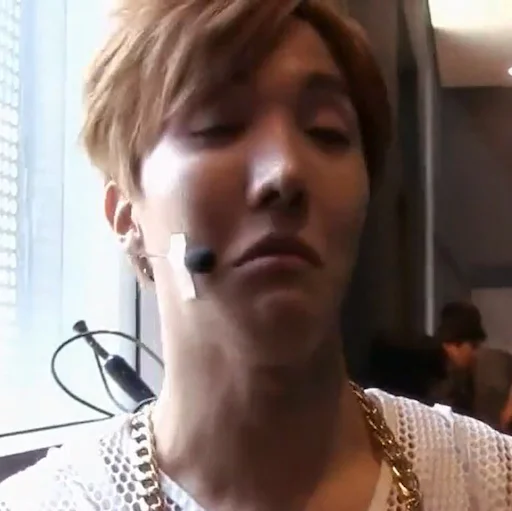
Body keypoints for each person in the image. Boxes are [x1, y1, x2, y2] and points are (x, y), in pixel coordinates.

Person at [1, 1, 511, 510]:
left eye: (327, 131)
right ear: (125, 214)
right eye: (218, 125)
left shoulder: (488, 482)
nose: (286, 171)